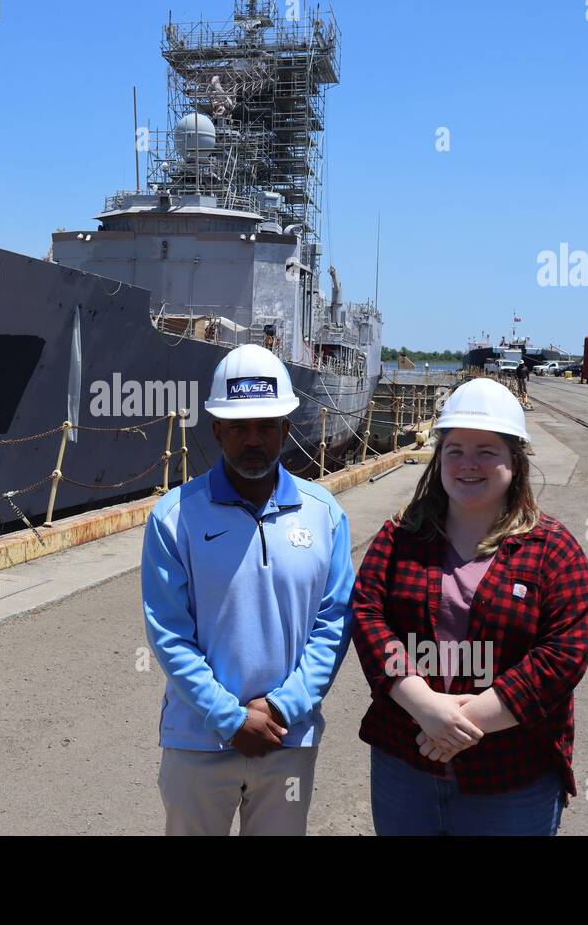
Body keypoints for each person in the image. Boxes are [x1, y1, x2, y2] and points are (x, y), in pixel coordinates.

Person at [350, 377, 588, 835]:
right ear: (439, 458)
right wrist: (421, 702)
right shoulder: (399, 536)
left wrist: (466, 720)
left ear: (514, 460)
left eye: (487, 451)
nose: (469, 464)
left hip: (512, 774)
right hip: (405, 762)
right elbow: (367, 616)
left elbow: (565, 652)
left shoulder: (554, 550)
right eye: (455, 450)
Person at [141, 344, 354, 835]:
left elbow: (334, 624)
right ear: (217, 430)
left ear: (286, 428)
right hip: (198, 740)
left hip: (287, 739)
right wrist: (230, 717)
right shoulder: (175, 519)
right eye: (239, 427)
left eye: (265, 425)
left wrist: (281, 707)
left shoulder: (325, 515)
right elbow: (169, 633)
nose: (252, 439)